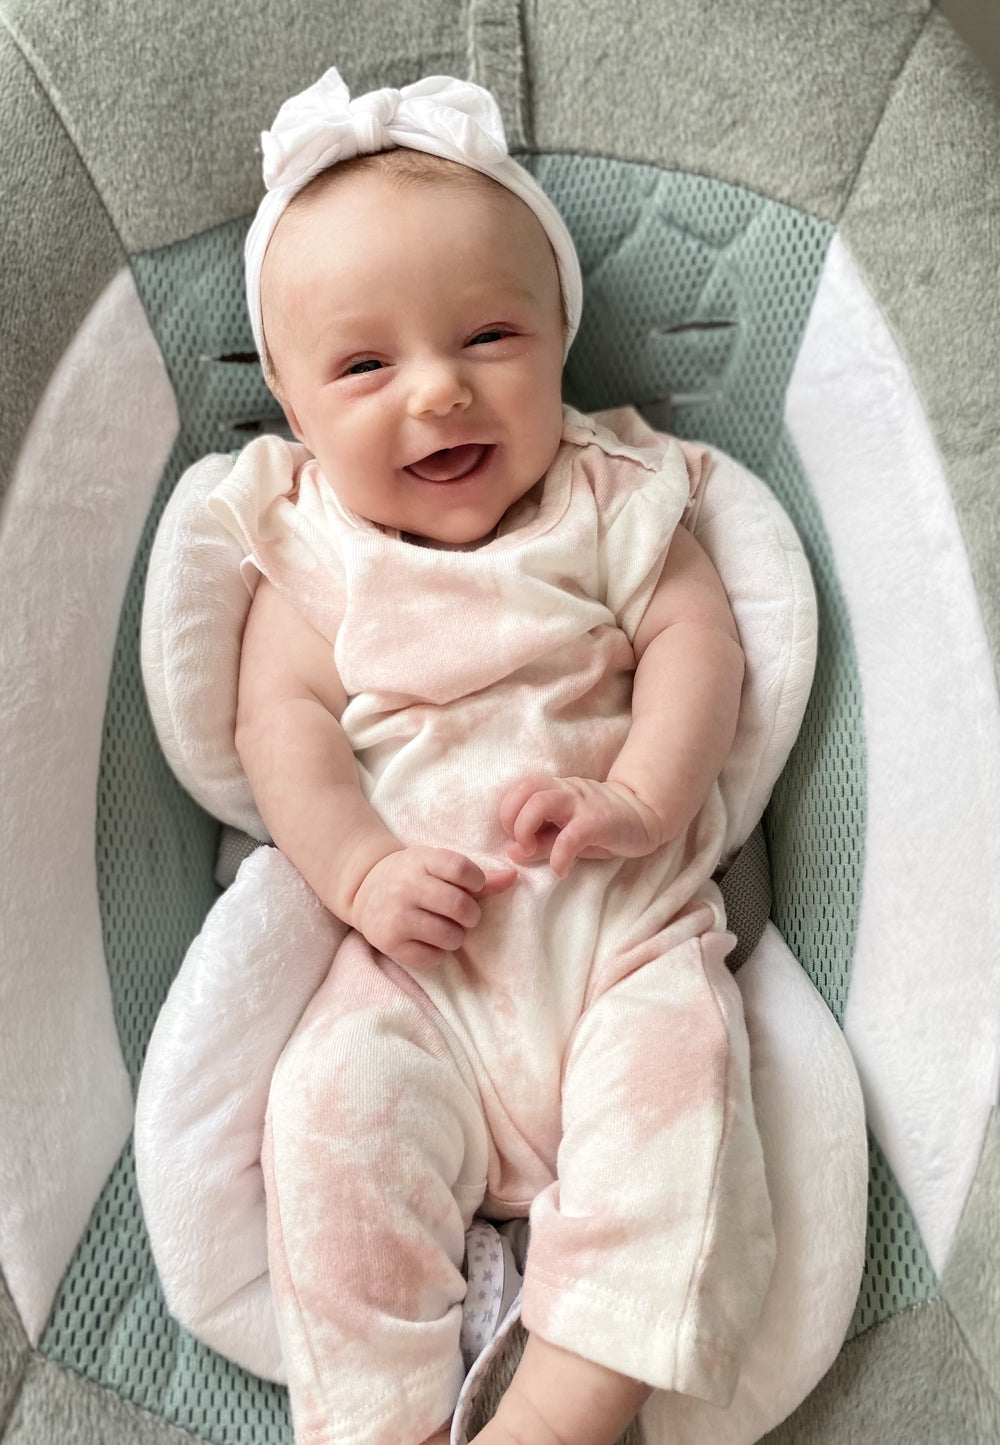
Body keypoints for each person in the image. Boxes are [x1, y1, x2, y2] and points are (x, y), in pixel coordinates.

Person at [212, 67, 775, 1445]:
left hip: (614, 931)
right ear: (291, 404)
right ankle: (381, 1419)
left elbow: (701, 639)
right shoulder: (312, 551)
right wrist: (357, 869)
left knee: (684, 1102)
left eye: (488, 336)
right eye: (364, 365)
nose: (440, 391)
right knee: (328, 1118)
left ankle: (565, 1409)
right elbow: (275, 727)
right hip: (420, 958)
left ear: (561, 339)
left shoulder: (607, 496)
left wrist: (642, 793)